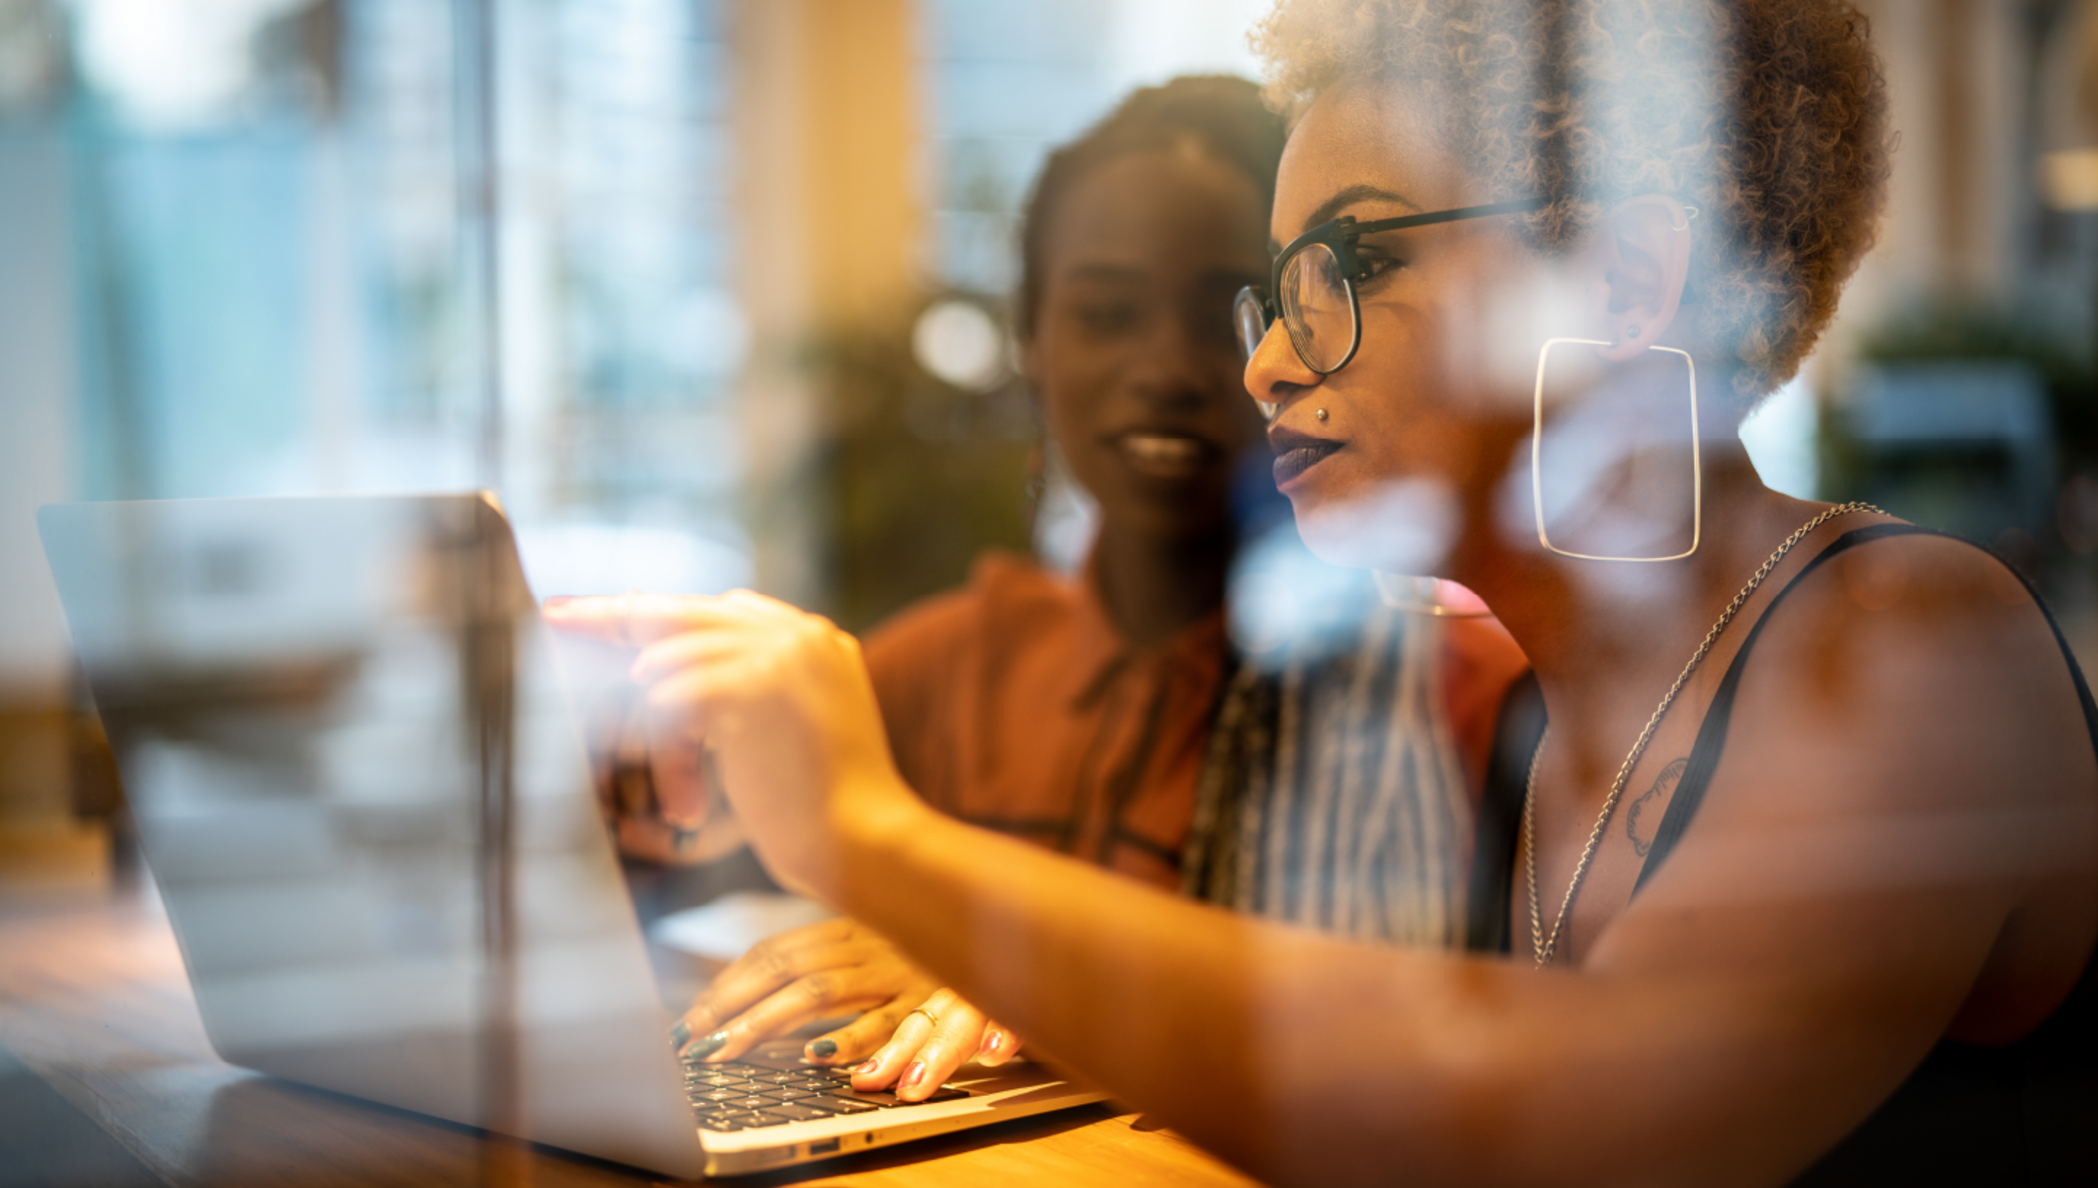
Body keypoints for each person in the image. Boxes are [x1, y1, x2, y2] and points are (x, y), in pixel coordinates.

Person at [552, 1, 2098, 1180]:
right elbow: (1370, 1039)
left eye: (1344, 272)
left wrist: (875, 837)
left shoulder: (1915, 645)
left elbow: (1565, 1123)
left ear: (1620, 289)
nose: (1264, 361)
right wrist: (1020, 981)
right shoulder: (1536, 706)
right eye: (1274, 290)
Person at [613, 76, 1529, 1072]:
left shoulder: (1458, 694)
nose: (1176, 368)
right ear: (1030, 348)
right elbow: (674, 894)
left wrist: (1003, 960)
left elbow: (1425, 1065)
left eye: (1241, 302)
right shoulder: (922, 676)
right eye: (1105, 313)